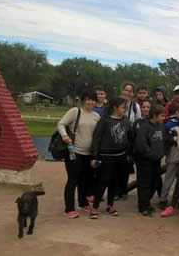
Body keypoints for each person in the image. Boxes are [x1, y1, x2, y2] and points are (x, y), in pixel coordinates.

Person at [57, 90, 100, 218]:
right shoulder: (75, 111)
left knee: (85, 180)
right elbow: (61, 124)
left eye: (93, 100)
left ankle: (82, 202)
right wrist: (65, 135)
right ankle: (69, 208)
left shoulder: (96, 116)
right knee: (73, 179)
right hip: (74, 151)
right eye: (88, 99)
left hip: (89, 153)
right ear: (83, 100)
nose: (90, 102)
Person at [89, 97, 133, 219]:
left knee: (114, 181)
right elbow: (96, 138)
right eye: (123, 107)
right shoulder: (105, 120)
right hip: (106, 156)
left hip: (120, 155)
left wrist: (128, 153)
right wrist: (94, 156)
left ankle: (110, 205)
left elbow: (130, 137)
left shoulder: (126, 121)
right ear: (115, 107)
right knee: (103, 181)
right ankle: (95, 207)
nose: (125, 110)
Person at [134, 104, 166, 217]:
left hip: (156, 160)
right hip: (145, 160)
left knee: (155, 182)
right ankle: (143, 207)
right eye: (162, 116)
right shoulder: (144, 127)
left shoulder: (161, 126)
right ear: (154, 115)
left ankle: (147, 203)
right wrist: (151, 155)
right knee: (144, 183)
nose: (164, 118)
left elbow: (164, 139)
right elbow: (141, 144)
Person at [117, 82, 140, 200]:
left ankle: (123, 190)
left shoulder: (135, 107)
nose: (128, 92)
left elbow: (138, 122)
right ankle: (115, 191)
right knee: (115, 166)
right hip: (116, 137)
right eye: (126, 90)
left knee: (126, 166)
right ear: (122, 90)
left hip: (129, 139)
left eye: (130, 91)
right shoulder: (115, 104)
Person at [159, 103, 179, 208]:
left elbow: (164, 138)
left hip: (171, 151)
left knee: (169, 176)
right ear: (178, 112)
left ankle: (163, 199)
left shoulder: (166, 122)